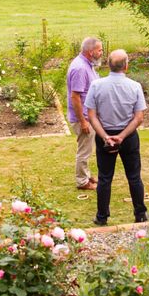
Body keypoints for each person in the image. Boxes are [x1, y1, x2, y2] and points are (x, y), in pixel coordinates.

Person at [85, 49, 148, 226]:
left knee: (104, 177)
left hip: (104, 134)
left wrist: (105, 136)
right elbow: (139, 117)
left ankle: (102, 217)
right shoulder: (134, 86)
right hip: (128, 136)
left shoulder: (97, 85)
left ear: (108, 65)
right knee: (134, 176)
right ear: (126, 66)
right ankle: (140, 214)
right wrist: (121, 136)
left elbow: (91, 115)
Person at [66, 37, 102, 191]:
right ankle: (82, 181)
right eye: (99, 50)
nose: (101, 53)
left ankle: (86, 175)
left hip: (89, 116)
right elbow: (75, 97)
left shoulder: (88, 64)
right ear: (90, 51)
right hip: (84, 118)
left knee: (88, 148)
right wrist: (83, 121)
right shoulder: (80, 68)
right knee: (84, 151)